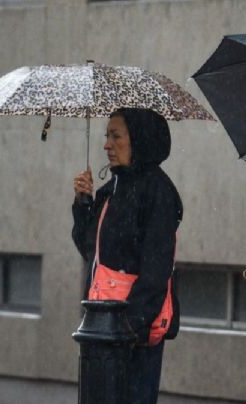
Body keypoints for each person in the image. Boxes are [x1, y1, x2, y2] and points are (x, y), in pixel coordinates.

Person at [71, 108, 182, 404]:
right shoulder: (112, 190)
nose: (107, 144)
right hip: (102, 327)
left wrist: (129, 326)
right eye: (107, 136)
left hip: (132, 330)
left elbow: (158, 268)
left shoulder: (158, 191)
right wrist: (83, 204)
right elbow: (90, 252)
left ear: (139, 140)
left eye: (116, 136)